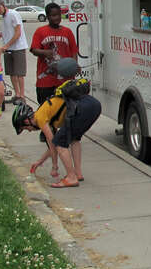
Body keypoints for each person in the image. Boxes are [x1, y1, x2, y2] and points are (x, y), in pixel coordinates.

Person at [12, 60, 102, 189]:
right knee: (74, 139)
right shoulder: (46, 115)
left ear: (27, 121)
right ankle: (77, 173)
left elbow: (54, 143)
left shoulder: (40, 117)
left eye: (26, 129)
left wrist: (54, 167)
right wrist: (40, 161)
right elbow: (53, 144)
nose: (30, 131)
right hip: (93, 105)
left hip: (83, 108)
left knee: (61, 142)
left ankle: (71, 178)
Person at [30, 2, 78, 178]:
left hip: (63, 81)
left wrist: (72, 67)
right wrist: (45, 53)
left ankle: (60, 136)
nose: (56, 18)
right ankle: (49, 137)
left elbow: (74, 52)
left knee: (63, 112)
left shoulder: (67, 32)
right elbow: (33, 49)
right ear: (47, 15)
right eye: (53, 15)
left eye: (58, 15)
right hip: (45, 80)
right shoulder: (40, 32)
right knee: (46, 112)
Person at [0, 0, 28, 102]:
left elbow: (18, 32)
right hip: (7, 48)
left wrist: (7, 45)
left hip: (18, 47)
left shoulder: (13, 14)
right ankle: (17, 94)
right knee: (12, 73)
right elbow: (7, 32)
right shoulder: (4, 17)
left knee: (19, 73)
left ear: (3, 5)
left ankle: (22, 96)